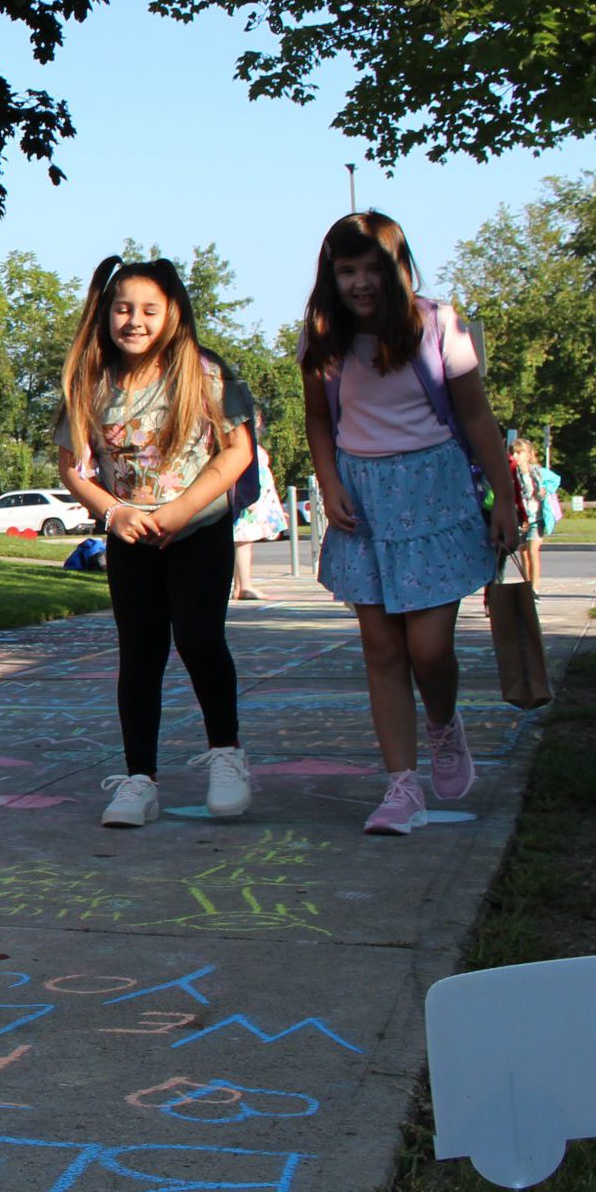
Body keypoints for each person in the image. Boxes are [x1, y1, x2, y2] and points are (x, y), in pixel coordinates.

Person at [301, 212, 517, 837]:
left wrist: (503, 499)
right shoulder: (323, 336)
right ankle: (401, 786)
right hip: (361, 496)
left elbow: (477, 418)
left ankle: (444, 724)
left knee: (430, 649)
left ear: (398, 269)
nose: (361, 283)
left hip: (436, 489)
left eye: (373, 269)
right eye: (347, 271)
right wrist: (330, 482)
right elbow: (320, 419)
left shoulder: (439, 324)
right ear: (330, 275)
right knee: (381, 648)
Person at [55, 256, 256, 828]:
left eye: (148, 309)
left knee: (199, 640)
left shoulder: (204, 372)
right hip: (130, 537)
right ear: (106, 313)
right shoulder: (91, 380)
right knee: (139, 655)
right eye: (123, 308)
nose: (134, 321)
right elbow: (73, 470)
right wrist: (113, 513)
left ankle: (227, 755)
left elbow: (237, 451)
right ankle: (138, 779)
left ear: (172, 313)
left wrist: (181, 511)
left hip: (198, 531)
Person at [231, 410, 289, 601]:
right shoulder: (243, 446)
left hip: (254, 501)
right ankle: (244, 585)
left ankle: (240, 585)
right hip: (248, 503)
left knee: (243, 542)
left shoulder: (249, 445)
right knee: (243, 541)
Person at [509, 436, 548, 590]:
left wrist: (543, 491)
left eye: (519, 453)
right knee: (523, 553)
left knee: (533, 552)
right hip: (521, 518)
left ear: (529, 455)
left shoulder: (535, 471)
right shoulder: (512, 472)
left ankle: (534, 588)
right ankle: (527, 585)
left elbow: (542, 488)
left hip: (535, 517)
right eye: (513, 453)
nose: (515, 456)